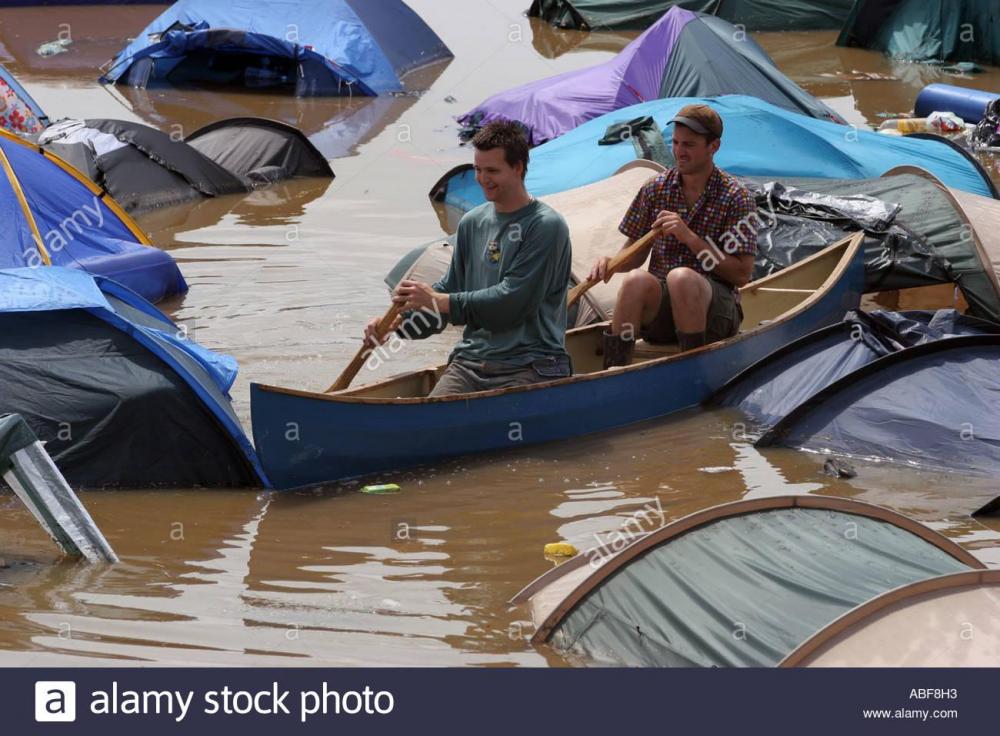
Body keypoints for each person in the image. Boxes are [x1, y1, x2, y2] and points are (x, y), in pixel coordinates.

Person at [363, 120, 573, 397]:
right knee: (430, 424)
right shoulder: (473, 222)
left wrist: (439, 300)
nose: (482, 179)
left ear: (518, 168)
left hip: (532, 363)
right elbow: (451, 289)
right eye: (477, 169)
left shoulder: (545, 226)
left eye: (492, 171)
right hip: (470, 362)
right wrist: (398, 323)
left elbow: (513, 302)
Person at [588, 104, 758, 367]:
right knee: (635, 280)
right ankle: (614, 370)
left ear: (713, 147)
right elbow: (632, 254)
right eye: (676, 143)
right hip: (664, 313)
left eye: (689, 145)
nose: (679, 152)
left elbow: (742, 275)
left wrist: (691, 238)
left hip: (716, 312)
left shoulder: (736, 197)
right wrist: (609, 264)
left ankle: (694, 371)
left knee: (682, 278)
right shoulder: (656, 188)